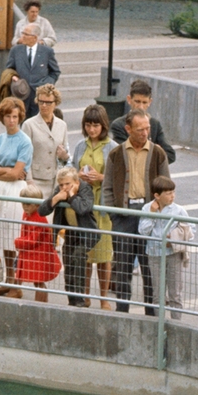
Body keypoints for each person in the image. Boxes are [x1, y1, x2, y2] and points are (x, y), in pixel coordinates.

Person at [102, 109, 170, 315]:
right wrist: (114, 215)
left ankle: (151, 314)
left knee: (149, 268)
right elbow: (107, 187)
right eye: (140, 129)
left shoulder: (158, 153)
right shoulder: (116, 153)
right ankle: (122, 311)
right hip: (124, 216)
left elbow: (167, 187)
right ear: (128, 129)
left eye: (147, 128)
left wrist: (160, 212)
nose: (145, 133)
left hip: (149, 216)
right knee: (122, 268)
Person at [72, 104, 116, 310]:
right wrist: (78, 175)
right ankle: (85, 295)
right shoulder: (81, 145)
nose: (92, 130)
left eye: (95, 125)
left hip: (102, 205)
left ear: (103, 125)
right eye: (88, 125)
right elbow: (71, 170)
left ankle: (104, 298)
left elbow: (118, 177)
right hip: (84, 203)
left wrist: (101, 177)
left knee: (104, 254)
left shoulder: (112, 147)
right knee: (87, 253)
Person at [0, 97, 34, 291]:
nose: (11, 120)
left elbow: (18, 173)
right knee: (3, 237)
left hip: (16, 190)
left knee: (16, 237)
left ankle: (17, 283)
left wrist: (2, 170)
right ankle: (8, 280)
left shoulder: (25, 141)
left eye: (15, 116)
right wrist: (3, 171)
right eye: (8, 116)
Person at [138, 176, 193, 320]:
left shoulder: (179, 210)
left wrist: (174, 237)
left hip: (173, 254)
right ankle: (159, 323)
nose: (172, 196)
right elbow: (143, 231)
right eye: (168, 193)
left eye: (173, 192)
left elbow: (191, 230)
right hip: (154, 254)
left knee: (175, 293)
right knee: (158, 294)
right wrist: (151, 213)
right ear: (157, 195)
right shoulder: (147, 208)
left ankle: (176, 322)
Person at [40, 167, 96, 307]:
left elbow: (83, 208)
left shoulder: (85, 189)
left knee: (78, 257)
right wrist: (56, 198)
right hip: (70, 231)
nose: (64, 188)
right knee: (69, 262)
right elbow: (42, 211)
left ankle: (80, 298)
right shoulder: (60, 191)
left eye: (68, 184)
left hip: (86, 232)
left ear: (76, 182)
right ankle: (71, 298)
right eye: (61, 185)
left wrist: (71, 197)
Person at [109, 79, 177, 165]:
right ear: (129, 99)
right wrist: (155, 153)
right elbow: (124, 156)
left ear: (150, 102)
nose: (141, 107)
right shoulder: (119, 125)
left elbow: (170, 155)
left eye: (144, 102)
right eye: (137, 101)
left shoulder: (155, 124)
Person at [12, 181, 60, 302]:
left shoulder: (38, 216)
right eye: (23, 203)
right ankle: (17, 292)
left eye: (28, 204)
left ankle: (41, 305)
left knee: (39, 282)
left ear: (37, 204)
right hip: (32, 253)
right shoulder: (28, 213)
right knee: (34, 281)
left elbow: (33, 239)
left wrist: (18, 242)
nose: (25, 206)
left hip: (39, 255)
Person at [5, 22, 60, 117]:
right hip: (22, 94)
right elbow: (9, 69)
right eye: (23, 33)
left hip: (39, 96)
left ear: (35, 37)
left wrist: (46, 85)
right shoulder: (16, 51)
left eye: (26, 34)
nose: (23, 37)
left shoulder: (47, 52)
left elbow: (55, 72)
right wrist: (13, 77)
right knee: (24, 123)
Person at [23, 83, 69, 192]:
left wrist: (64, 156)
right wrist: (29, 181)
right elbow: (24, 156)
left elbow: (65, 158)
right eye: (41, 102)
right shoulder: (28, 125)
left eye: (48, 102)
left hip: (55, 181)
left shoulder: (62, 125)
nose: (44, 105)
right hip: (35, 180)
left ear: (55, 103)